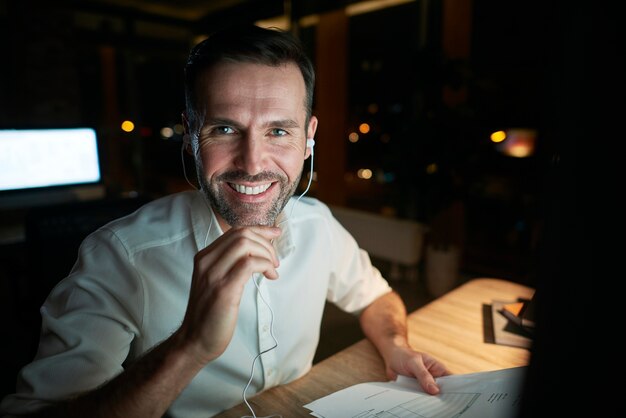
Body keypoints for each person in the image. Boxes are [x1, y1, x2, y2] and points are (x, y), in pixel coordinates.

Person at [0, 24, 449, 418]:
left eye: (278, 131)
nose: (253, 163)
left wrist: (396, 346)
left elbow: (379, 298)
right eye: (225, 129)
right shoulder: (119, 256)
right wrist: (190, 345)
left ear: (308, 138)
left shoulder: (317, 224)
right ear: (192, 134)